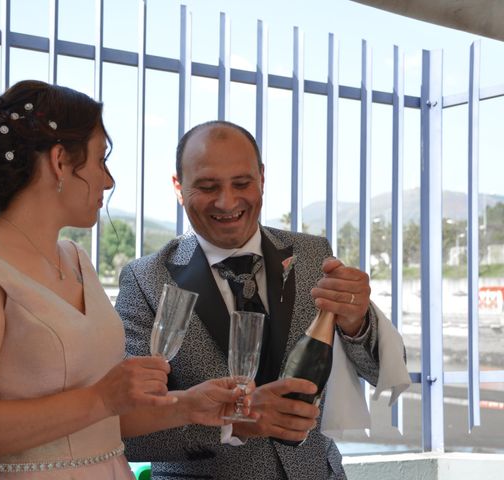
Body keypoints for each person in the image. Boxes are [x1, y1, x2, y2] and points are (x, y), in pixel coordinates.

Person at [0, 83, 253, 479]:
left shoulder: (76, 259)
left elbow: (100, 417)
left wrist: (186, 406)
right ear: (60, 161)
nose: (108, 181)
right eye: (100, 159)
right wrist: (100, 397)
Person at [115, 120, 409, 479]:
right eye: (208, 187)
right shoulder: (145, 280)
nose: (227, 202)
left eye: (242, 183)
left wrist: (357, 323)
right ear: (179, 187)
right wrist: (233, 423)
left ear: (262, 178)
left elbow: (382, 370)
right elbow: (126, 430)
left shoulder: (313, 254)